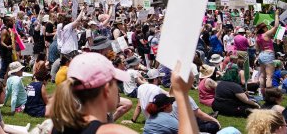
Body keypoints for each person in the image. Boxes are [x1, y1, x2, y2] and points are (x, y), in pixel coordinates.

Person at [51, 54, 200, 134]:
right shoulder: (112, 132)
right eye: (116, 82)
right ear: (106, 90)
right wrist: (181, 94)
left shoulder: (58, 127)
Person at [257, 12, 281, 95]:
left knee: (262, 75)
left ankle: (261, 92)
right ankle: (269, 94)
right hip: (268, 55)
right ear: (263, 28)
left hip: (261, 55)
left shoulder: (258, 37)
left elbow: (257, 49)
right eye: (266, 27)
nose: (267, 28)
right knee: (269, 76)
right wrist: (276, 15)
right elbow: (276, 26)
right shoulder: (266, 34)